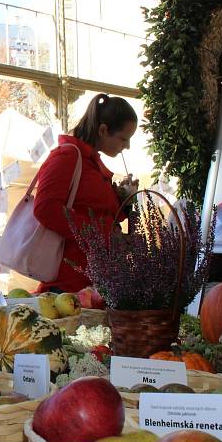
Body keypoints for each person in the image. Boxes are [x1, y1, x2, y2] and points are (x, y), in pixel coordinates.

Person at [33, 93, 138, 293]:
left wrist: (123, 198)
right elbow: (45, 209)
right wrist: (105, 235)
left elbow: (99, 212)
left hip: (96, 283)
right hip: (69, 285)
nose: (127, 146)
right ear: (103, 130)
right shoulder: (66, 156)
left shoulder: (92, 163)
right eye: (124, 139)